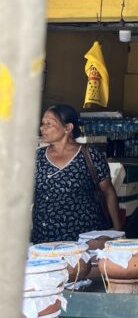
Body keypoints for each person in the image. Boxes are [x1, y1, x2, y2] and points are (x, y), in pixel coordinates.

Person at [32, 104, 121, 243]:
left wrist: (118, 230)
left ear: (68, 128)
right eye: (43, 123)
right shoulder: (37, 158)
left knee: (81, 265)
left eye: (49, 124)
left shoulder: (89, 155)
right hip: (44, 239)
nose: (42, 128)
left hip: (84, 240)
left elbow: (108, 191)